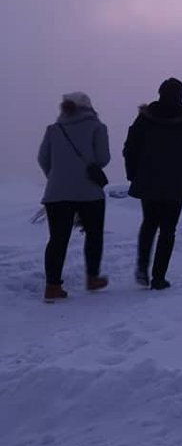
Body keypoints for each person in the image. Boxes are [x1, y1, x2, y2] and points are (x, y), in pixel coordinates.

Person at [123, 77, 182, 290]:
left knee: (149, 224)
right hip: (176, 183)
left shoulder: (145, 118)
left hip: (147, 180)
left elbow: (130, 147)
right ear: (181, 94)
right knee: (168, 230)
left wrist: (133, 175)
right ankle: (159, 277)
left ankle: (142, 267)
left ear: (160, 92)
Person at [37, 92, 111, 301]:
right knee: (94, 234)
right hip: (90, 192)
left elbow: (43, 159)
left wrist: (57, 177)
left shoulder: (53, 129)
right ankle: (92, 278)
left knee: (57, 239)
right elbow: (103, 159)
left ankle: (52, 286)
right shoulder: (97, 127)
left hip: (56, 193)